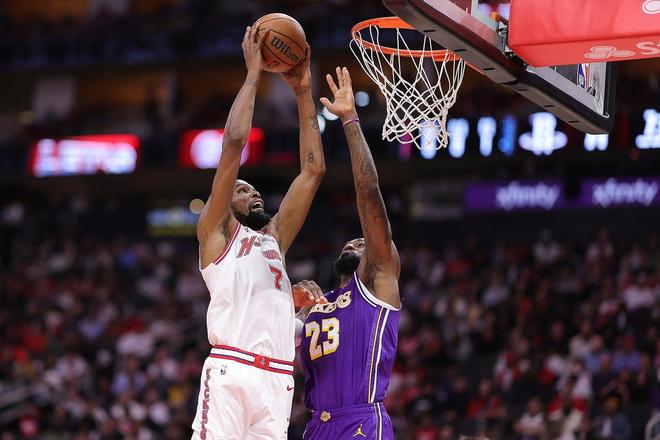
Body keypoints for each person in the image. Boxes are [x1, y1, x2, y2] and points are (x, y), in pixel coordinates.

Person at [191, 25, 326, 439]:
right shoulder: (216, 232)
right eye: (242, 189)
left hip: (278, 380)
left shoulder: (273, 239)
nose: (252, 192)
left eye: (254, 189)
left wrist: (303, 91)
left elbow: (313, 171)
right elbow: (234, 143)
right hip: (233, 369)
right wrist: (253, 75)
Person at [297, 67, 401, 439]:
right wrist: (289, 308)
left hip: (360, 422)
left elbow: (368, 192)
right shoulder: (317, 302)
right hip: (316, 424)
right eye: (351, 241)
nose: (354, 243)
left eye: (362, 242)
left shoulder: (377, 282)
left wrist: (350, 121)